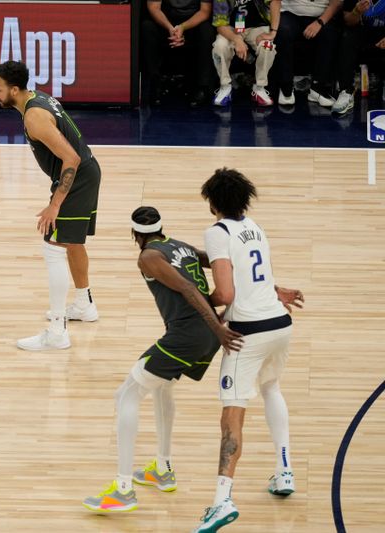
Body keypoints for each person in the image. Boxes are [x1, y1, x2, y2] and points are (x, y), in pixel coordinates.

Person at [82, 206, 242, 514]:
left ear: (134, 234)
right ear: (160, 227)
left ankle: (124, 489)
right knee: (161, 388)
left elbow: (185, 288)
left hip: (191, 333)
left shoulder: (148, 257)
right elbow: (224, 264)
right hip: (204, 335)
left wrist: (216, 327)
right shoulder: (181, 246)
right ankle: (162, 469)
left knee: (126, 393)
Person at [192, 168, 305, 532]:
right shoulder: (255, 227)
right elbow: (260, 275)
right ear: (246, 199)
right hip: (280, 324)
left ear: (212, 203)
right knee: (271, 389)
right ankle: (284, 471)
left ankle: (222, 500)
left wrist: (197, 306)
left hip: (247, 334)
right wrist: (279, 291)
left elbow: (225, 293)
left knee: (232, 415)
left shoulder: (217, 232)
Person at [0, 60, 101, 351]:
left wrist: (55, 204)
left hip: (78, 176)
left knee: (53, 248)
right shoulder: (36, 97)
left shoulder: (34, 117)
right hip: (87, 173)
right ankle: (83, 305)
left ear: (14, 89)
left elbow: (71, 159)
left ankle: (56, 333)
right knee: (72, 243)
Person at [141, 0, 216, 106]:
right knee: (147, 26)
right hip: (165, 23)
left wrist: (182, 27)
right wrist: (170, 28)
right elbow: (154, 8)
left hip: (192, 24)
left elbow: (205, 11)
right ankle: (155, 84)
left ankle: (203, 87)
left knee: (207, 30)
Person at [211, 0, 281, 106]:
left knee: (268, 46)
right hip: (230, 29)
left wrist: (273, 32)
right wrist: (237, 40)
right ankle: (225, 86)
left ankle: (259, 87)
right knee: (219, 47)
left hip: (256, 27)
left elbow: (275, 2)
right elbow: (220, 25)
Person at [274, 0, 342, 106]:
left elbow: (336, 3)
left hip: (321, 15)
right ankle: (285, 87)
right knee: (284, 31)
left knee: (330, 34)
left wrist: (320, 22)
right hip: (290, 12)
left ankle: (318, 88)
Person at [331, 0, 385, 115]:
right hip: (361, 32)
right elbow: (349, 21)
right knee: (347, 36)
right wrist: (357, 11)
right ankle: (346, 91)